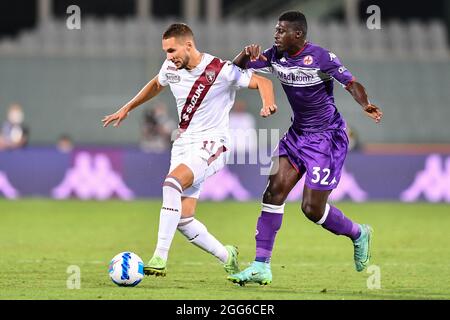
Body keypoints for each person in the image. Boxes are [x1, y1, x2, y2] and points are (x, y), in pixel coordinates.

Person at [102, 23, 277, 277]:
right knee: (184, 218)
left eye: (171, 50)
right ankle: (228, 256)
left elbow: (263, 82)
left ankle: (159, 257)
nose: (168, 57)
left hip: (213, 143)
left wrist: (267, 104)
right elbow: (156, 84)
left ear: (188, 45)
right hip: (183, 145)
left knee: (171, 184)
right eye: (165, 51)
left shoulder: (221, 70)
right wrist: (128, 107)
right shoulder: (170, 68)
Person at [227, 11, 383, 286]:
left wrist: (365, 104)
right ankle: (261, 266)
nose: (275, 34)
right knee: (273, 192)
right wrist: (244, 55)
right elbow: (234, 72)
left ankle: (358, 233)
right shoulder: (275, 55)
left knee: (311, 209)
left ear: (297, 34)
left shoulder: (321, 57)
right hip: (296, 135)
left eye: (281, 30)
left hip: (327, 140)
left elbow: (350, 82)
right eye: (275, 29)